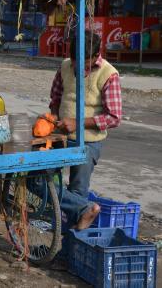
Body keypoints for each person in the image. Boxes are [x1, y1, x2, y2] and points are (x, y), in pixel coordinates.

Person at [49, 32, 122, 229]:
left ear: (96, 55)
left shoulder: (109, 74)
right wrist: (54, 116)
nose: (78, 68)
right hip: (59, 137)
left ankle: (69, 244)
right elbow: (55, 99)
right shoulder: (64, 66)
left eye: (85, 63)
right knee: (38, 181)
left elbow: (114, 117)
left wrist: (78, 123)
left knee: (77, 190)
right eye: (75, 62)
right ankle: (85, 208)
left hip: (88, 142)